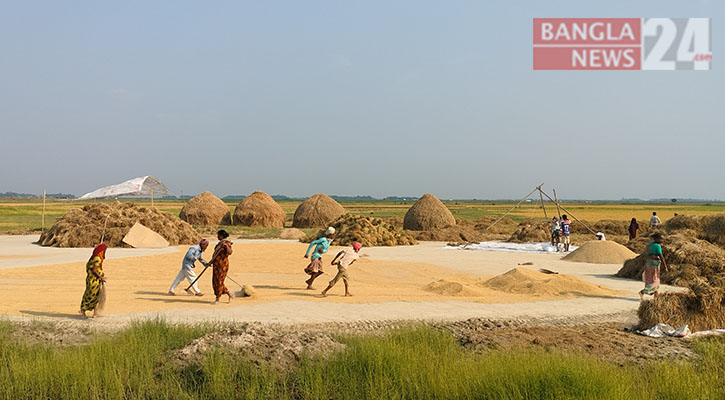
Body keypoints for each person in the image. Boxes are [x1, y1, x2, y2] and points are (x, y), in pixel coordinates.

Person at [79, 243, 107, 318]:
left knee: (90, 294)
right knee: (93, 295)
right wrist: (100, 277)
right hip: (94, 280)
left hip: (90, 279)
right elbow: (94, 270)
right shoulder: (97, 259)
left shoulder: (92, 258)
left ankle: (91, 312)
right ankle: (85, 310)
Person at [640, 232, 668, 300]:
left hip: (648, 264)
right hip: (654, 265)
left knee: (650, 279)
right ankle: (643, 292)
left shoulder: (649, 245)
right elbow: (661, 256)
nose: (662, 240)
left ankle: (656, 295)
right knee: (654, 279)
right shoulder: (657, 246)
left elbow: (647, 254)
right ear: (656, 239)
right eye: (660, 239)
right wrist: (665, 266)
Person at [209, 230, 233, 304]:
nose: (217, 237)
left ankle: (218, 297)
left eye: (218, 235)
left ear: (222, 236)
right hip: (216, 265)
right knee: (215, 281)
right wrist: (211, 262)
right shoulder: (219, 244)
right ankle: (228, 293)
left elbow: (230, 252)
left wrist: (226, 247)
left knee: (219, 281)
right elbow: (215, 254)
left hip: (222, 265)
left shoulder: (226, 243)